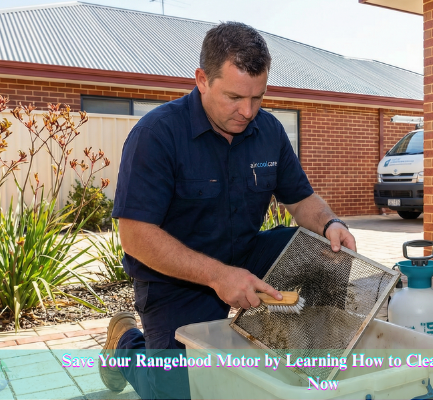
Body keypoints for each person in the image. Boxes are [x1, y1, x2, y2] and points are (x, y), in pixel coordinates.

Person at [100, 21, 356, 399]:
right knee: (181, 391)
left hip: (246, 256)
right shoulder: (156, 134)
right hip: (175, 281)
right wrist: (218, 276)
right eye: (235, 97)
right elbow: (135, 235)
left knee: (323, 254)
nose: (248, 111)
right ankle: (125, 344)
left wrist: (331, 223)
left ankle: (297, 358)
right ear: (203, 79)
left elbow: (302, 201)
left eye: (258, 98)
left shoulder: (268, 131)